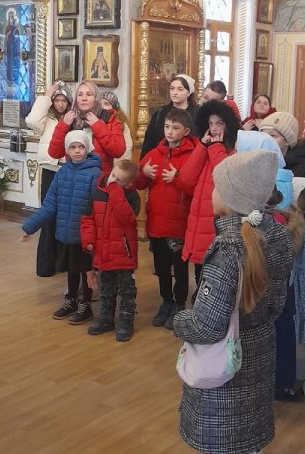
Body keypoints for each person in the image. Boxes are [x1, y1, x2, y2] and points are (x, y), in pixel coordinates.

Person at [174, 150, 294, 454]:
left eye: (215, 187)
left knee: (223, 440)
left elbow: (208, 324)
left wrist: (180, 322)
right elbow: (277, 302)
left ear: (230, 198)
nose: (210, 193)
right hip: (260, 347)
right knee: (244, 428)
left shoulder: (229, 250)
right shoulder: (277, 235)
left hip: (228, 358)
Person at [20, 130, 101, 325]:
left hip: (84, 234)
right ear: (67, 150)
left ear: (87, 148)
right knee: (71, 268)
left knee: (84, 269)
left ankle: (86, 304)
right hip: (66, 231)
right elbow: (50, 204)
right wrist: (29, 227)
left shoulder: (95, 173)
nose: (77, 151)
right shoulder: (62, 173)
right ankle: (71, 300)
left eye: (81, 147)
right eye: (73, 147)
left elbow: (98, 207)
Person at [135, 108, 197, 328]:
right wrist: (143, 174)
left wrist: (177, 178)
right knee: (161, 266)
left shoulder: (193, 156)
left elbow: (195, 187)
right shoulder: (155, 153)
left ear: (186, 131)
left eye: (175, 128)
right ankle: (166, 301)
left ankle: (179, 303)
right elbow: (138, 183)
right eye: (167, 127)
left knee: (179, 268)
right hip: (158, 221)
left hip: (179, 223)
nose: (170, 132)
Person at [179, 100, 239, 288]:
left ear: (228, 125)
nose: (213, 128)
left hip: (217, 226)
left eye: (219, 123)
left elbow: (224, 176)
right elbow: (185, 180)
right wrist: (202, 147)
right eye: (211, 123)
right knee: (200, 277)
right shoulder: (207, 147)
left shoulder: (235, 152)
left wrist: (215, 147)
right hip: (199, 223)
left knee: (214, 281)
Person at [275, 177, 305, 402]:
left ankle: (295, 383)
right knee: (301, 337)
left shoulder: (297, 228)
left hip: (295, 286)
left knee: (294, 337)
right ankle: (298, 381)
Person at [82, 160, 141, 342]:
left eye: (119, 180)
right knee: (106, 288)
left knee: (126, 291)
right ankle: (106, 319)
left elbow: (126, 217)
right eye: (113, 176)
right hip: (104, 252)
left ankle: (126, 322)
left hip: (123, 254)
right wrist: (88, 240)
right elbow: (88, 219)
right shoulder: (96, 192)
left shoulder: (132, 196)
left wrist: (115, 191)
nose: (113, 181)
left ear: (128, 184)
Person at [25, 81, 73, 276]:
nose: (60, 104)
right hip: (50, 168)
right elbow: (32, 121)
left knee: (66, 216)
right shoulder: (47, 118)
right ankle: (46, 264)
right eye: (57, 100)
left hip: (67, 168)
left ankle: (63, 262)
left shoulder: (73, 118)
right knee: (49, 215)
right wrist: (45, 97)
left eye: (64, 101)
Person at [48, 80, 125, 175]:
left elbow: (118, 151)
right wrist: (64, 125)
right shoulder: (70, 118)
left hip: (99, 179)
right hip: (75, 178)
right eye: (80, 95)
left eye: (89, 94)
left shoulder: (109, 119)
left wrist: (97, 125)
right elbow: (54, 153)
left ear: (96, 98)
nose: (84, 98)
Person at [141, 74, 198, 158]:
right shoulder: (160, 114)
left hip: (188, 159)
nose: (175, 93)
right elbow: (149, 142)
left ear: (189, 93)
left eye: (180, 89)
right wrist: (144, 163)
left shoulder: (198, 115)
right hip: (161, 159)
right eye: (172, 88)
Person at [259, 110, 305, 177]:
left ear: (287, 140)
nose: (266, 139)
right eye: (263, 135)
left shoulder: (300, 171)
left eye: (272, 135)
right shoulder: (257, 162)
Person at [100, 89, 133, 160]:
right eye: (99, 104)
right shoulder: (95, 120)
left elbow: (127, 147)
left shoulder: (121, 123)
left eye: (106, 104)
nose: (102, 107)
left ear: (114, 107)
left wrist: (116, 165)